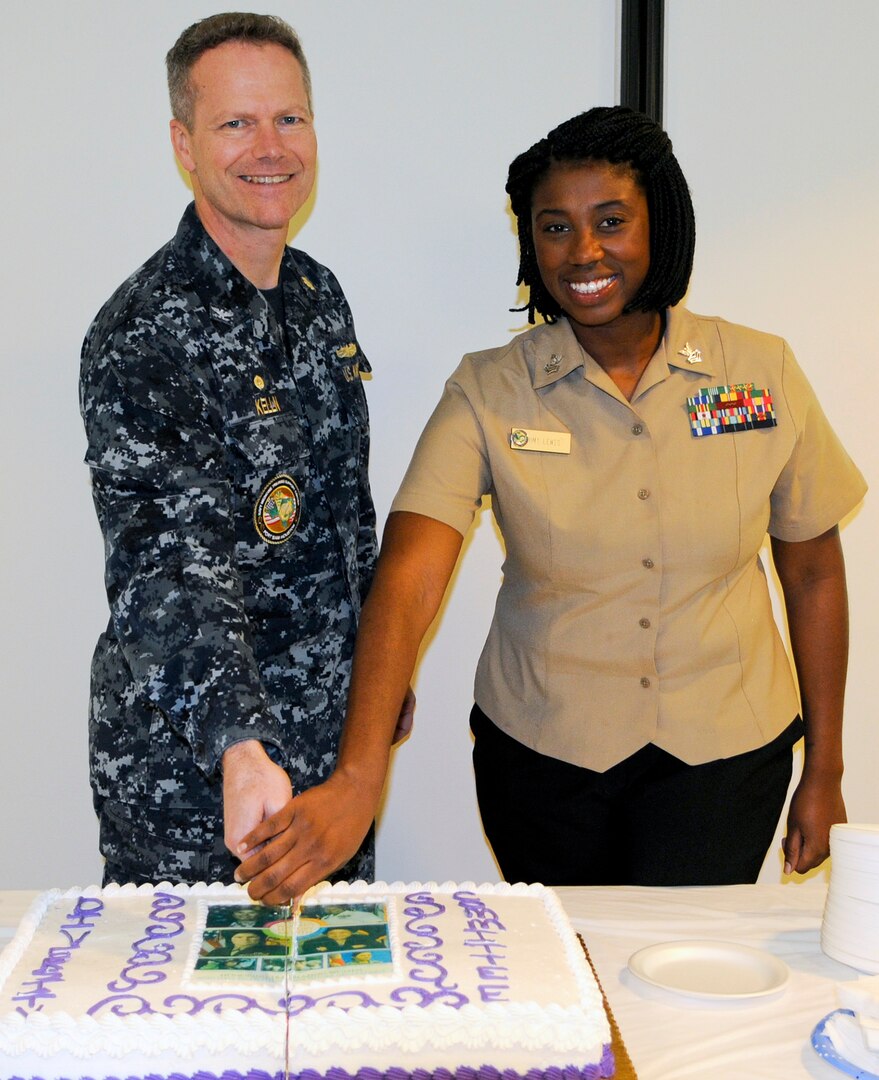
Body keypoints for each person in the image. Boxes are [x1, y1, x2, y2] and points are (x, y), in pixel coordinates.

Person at [237, 106, 866, 901]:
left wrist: (827, 767)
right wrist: (359, 776)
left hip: (725, 758)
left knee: (678, 980)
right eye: (554, 228)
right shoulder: (487, 390)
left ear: (660, 223)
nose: (584, 252)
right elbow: (408, 577)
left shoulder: (759, 372)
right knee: (564, 983)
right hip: (541, 766)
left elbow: (811, 572)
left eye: (611, 221)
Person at [80, 13, 407, 886]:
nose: (270, 148)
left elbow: (344, 508)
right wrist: (237, 746)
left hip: (326, 761)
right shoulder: (143, 333)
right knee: (195, 1014)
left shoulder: (317, 294)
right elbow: (165, 568)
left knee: (327, 1008)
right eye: (236, 124)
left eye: (289, 119)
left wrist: (374, 679)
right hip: (201, 778)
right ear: (184, 144)